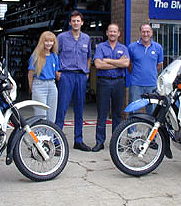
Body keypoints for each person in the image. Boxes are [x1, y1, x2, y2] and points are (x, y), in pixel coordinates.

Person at [55, 10, 92, 151]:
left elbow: (89, 56)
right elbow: (54, 54)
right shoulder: (62, 37)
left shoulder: (86, 38)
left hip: (81, 76)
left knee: (79, 110)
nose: (76, 23)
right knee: (62, 109)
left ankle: (78, 140)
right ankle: (56, 141)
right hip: (66, 76)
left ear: (82, 23)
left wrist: (87, 72)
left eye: (78, 20)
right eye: (73, 21)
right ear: (70, 23)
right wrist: (57, 71)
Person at [92, 23, 130, 152]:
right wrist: (118, 63)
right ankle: (99, 142)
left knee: (117, 114)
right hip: (104, 82)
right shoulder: (101, 47)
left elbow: (126, 63)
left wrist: (107, 60)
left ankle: (116, 142)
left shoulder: (123, 48)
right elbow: (98, 64)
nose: (112, 33)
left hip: (119, 82)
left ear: (119, 33)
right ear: (107, 33)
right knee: (102, 113)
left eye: (115, 31)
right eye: (110, 31)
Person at [128, 23, 163, 114]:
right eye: (143, 32)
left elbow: (159, 65)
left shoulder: (158, 47)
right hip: (136, 84)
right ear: (140, 33)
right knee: (134, 112)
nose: (145, 34)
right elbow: (129, 65)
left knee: (152, 113)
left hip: (152, 85)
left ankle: (150, 129)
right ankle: (132, 129)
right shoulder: (132, 47)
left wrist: (151, 73)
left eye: (148, 31)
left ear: (151, 33)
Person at [27, 31, 60, 122]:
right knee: (41, 115)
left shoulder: (54, 56)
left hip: (52, 85)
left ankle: (50, 136)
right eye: (46, 41)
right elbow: (30, 74)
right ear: (42, 42)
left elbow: (57, 73)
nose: (49, 43)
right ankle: (40, 135)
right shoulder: (36, 56)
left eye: (51, 41)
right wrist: (31, 88)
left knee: (52, 116)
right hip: (39, 85)